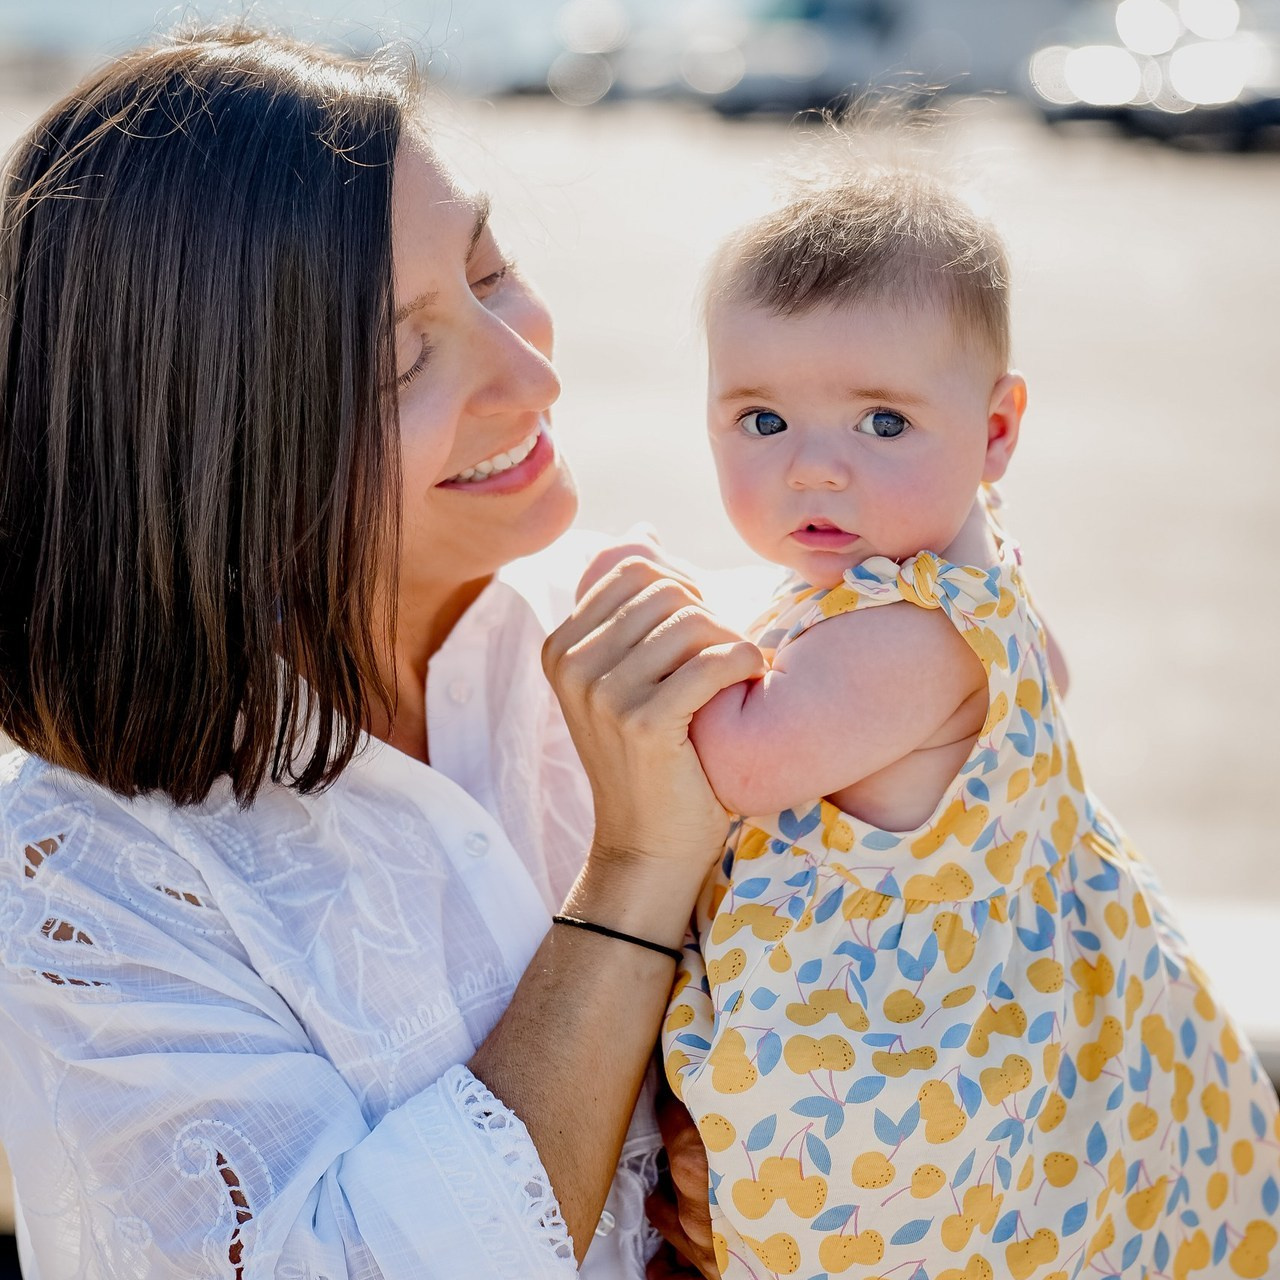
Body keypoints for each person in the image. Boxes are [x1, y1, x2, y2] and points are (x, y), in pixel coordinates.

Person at [0, 27, 751, 1279]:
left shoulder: (640, 627)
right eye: (406, 356)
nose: (527, 370)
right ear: (213, 460)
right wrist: (632, 875)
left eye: (491, 268)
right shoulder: (93, 882)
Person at [655, 171, 1280, 1279]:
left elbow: (740, 761)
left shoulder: (906, 629)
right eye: (760, 418)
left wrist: (663, 624)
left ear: (993, 429)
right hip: (1019, 995)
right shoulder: (965, 561)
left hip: (902, 1071)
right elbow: (1048, 667)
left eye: (882, 420)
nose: (813, 464)